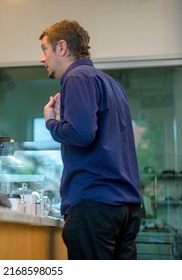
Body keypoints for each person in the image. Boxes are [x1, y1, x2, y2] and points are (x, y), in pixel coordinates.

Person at [39, 19, 142, 260]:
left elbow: (81, 134)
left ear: (61, 47)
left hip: (95, 205)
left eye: (45, 49)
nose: (42, 58)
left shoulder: (76, 77)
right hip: (126, 209)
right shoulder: (111, 84)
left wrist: (51, 122)